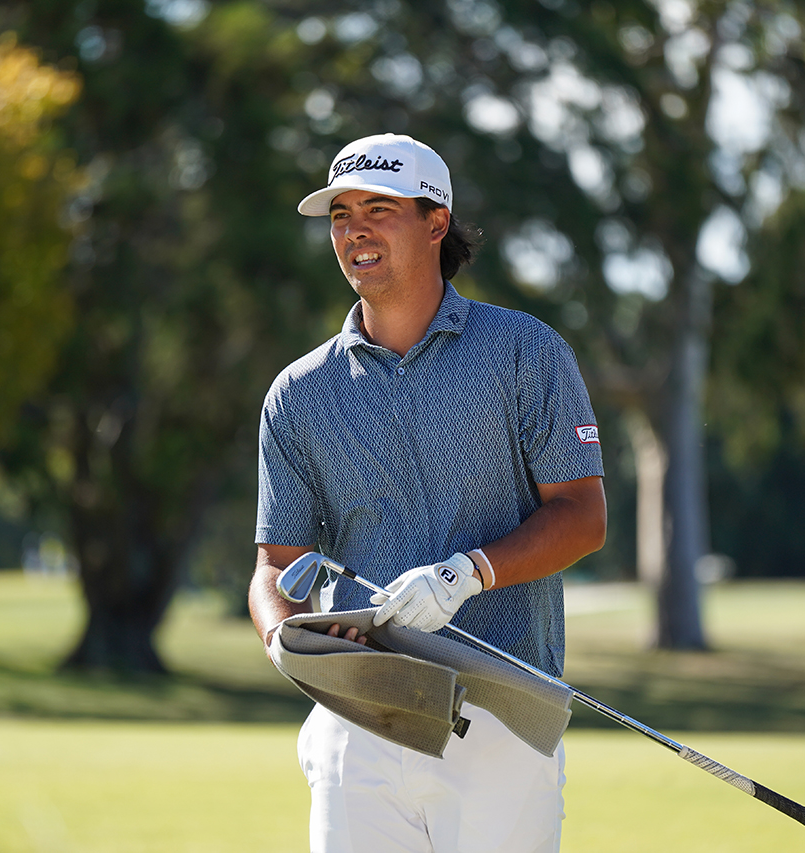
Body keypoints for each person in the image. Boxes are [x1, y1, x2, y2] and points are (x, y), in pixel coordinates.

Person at [248, 132, 607, 853]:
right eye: (341, 215)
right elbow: (272, 568)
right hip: (358, 720)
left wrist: (466, 573)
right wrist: (285, 637)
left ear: (436, 222)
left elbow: (582, 516)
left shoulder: (525, 351)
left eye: (377, 210)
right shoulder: (299, 392)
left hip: (499, 717)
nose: (353, 231)